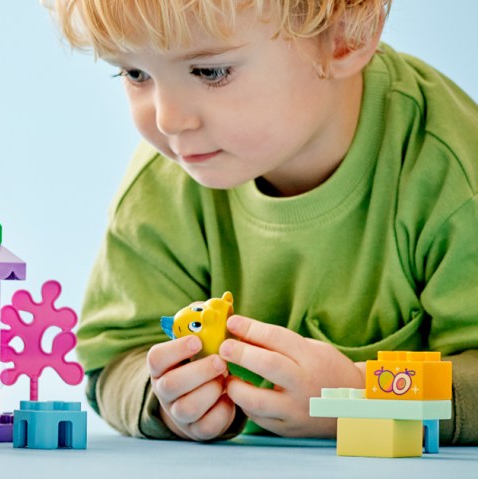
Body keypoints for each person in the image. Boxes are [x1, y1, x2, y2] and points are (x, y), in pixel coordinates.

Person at [50, 0, 478, 443]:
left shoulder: (450, 174)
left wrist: (363, 401)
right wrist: (165, 401)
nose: (168, 119)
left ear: (344, 37)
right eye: (136, 74)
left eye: (210, 72)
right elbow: (115, 357)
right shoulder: (163, 186)